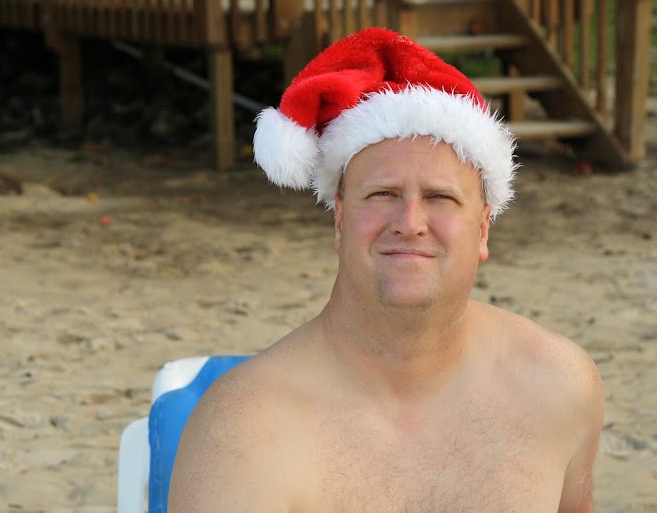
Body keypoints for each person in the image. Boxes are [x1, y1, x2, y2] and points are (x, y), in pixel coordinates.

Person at [168, 28, 604, 512]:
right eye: (383, 195)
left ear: (482, 227)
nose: (410, 223)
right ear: (339, 219)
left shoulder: (557, 384)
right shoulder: (246, 429)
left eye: (440, 197)